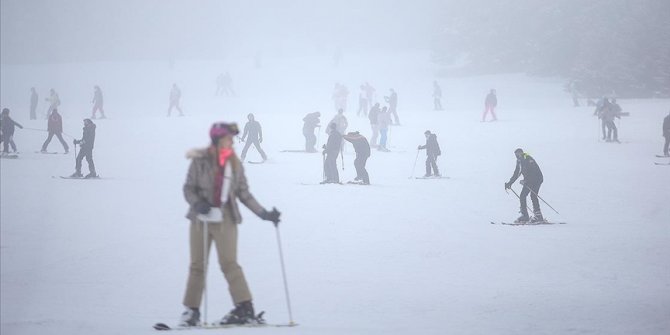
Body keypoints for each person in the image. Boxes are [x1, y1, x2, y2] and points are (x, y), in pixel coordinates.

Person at [179, 122, 281, 327]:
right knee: (197, 264)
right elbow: (188, 188)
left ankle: (245, 307)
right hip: (201, 219)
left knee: (229, 263)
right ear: (218, 140)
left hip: (226, 219)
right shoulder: (199, 161)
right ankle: (191, 311)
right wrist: (198, 204)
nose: (232, 141)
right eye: (228, 138)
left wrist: (263, 214)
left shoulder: (234, 163)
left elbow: (244, 193)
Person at [504, 148, 544, 223]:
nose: (517, 156)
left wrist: (526, 180)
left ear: (521, 153)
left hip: (537, 179)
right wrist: (510, 183)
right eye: (516, 155)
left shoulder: (528, 159)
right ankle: (525, 216)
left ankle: (538, 216)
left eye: (518, 154)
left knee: (533, 195)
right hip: (529, 181)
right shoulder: (519, 161)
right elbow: (516, 173)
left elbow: (533, 171)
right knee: (522, 196)